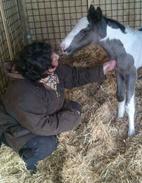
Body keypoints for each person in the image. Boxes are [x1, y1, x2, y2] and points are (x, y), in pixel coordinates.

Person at [1, 42, 116, 172]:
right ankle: (28, 161)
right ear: (46, 68)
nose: (57, 56)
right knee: (47, 144)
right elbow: (42, 126)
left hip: (40, 111)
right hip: (17, 127)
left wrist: (104, 68)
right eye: (53, 57)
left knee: (74, 107)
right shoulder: (22, 93)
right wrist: (71, 121)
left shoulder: (48, 71)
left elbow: (74, 76)